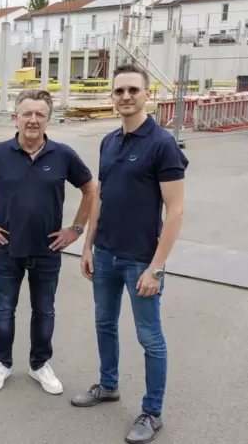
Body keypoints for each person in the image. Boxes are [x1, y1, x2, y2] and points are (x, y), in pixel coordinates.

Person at [72, 63, 188, 444]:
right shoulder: (108, 141)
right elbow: (100, 198)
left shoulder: (162, 143)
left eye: (132, 90)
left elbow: (176, 210)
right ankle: (108, 386)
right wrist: (88, 247)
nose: (125, 97)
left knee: (149, 337)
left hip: (142, 260)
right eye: (119, 91)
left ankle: (152, 412)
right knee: (104, 325)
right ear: (112, 96)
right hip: (105, 255)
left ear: (147, 93)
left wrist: (156, 268)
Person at [0, 89, 96, 395]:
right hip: (7, 250)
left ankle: (39, 365)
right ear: (15, 117)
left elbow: (90, 188)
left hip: (48, 251)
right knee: (4, 309)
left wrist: (75, 228)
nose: (33, 120)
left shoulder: (63, 155)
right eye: (27, 114)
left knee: (44, 311)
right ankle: (2, 363)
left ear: (48, 119)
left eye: (40, 114)